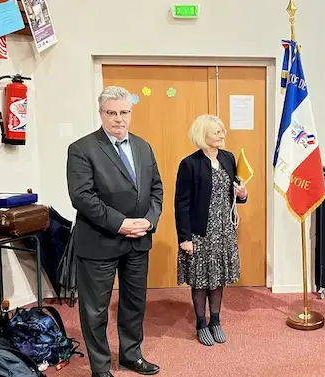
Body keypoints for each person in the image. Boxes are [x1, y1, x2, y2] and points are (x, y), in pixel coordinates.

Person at [66, 86, 163, 377]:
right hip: (100, 241)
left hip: (138, 242)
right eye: (111, 113)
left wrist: (149, 220)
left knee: (134, 303)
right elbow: (82, 197)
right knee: (95, 310)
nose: (118, 119)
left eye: (124, 112)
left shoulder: (143, 147)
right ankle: (100, 367)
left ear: (130, 113)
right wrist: (120, 223)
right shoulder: (82, 149)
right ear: (101, 114)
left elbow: (156, 189)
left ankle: (132, 355)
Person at [174, 114, 248, 346]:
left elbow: (234, 194)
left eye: (222, 130)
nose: (222, 134)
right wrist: (185, 238)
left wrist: (243, 195)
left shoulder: (228, 158)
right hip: (200, 232)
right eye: (217, 131)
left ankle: (215, 321)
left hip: (224, 230)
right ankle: (200, 323)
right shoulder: (189, 164)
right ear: (202, 135)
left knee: (218, 280)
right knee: (201, 281)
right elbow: (181, 204)